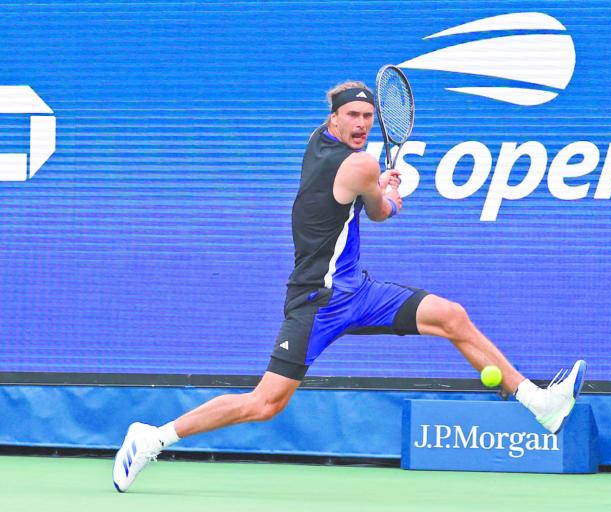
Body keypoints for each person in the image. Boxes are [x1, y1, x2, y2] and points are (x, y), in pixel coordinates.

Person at [112, 81, 586, 492]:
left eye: (367, 116)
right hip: (317, 302)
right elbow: (380, 211)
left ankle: (538, 403)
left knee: (451, 316)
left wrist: (378, 185)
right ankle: (153, 437)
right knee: (265, 404)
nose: (361, 123)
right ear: (333, 119)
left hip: (357, 292)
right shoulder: (358, 165)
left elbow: (361, 194)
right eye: (352, 116)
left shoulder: (319, 142)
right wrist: (391, 192)